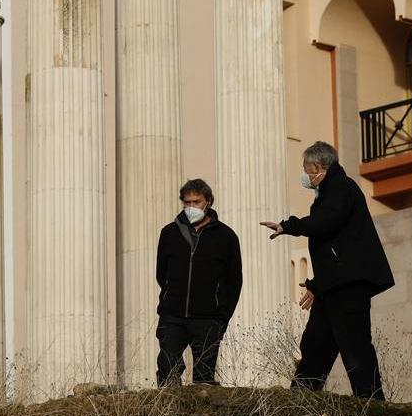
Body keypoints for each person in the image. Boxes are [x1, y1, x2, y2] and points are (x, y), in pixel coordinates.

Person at [260, 141, 394, 399]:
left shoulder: (341, 187)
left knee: (355, 347)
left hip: (348, 286)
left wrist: (289, 226)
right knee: (316, 345)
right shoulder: (331, 191)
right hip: (332, 287)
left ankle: (372, 404)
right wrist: (316, 284)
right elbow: (334, 249)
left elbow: (326, 224)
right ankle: (300, 402)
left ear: (317, 166)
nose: (305, 176)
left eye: (306, 169)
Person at [154, 178, 242, 386]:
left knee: (204, 379)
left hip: (208, 318)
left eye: (196, 202)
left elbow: (233, 281)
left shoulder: (226, 237)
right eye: (187, 203)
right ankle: (167, 414)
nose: (191, 207)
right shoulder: (169, 233)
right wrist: (168, 300)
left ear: (208, 202)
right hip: (172, 316)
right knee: (167, 371)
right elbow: (161, 274)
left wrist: (222, 317)